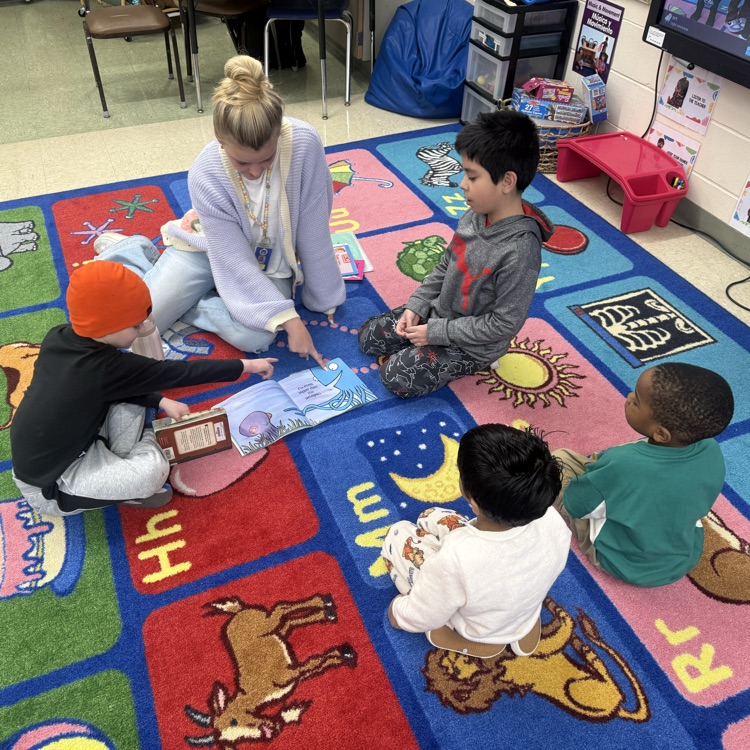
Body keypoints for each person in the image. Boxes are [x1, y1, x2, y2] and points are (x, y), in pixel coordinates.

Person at [97, 55, 345, 369]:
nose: (254, 172)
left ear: (278, 134)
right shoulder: (206, 170)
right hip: (205, 249)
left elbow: (314, 227)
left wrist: (324, 297)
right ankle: (131, 250)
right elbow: (233, 259)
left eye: (266, 160)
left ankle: (191, 300)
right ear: (221, 141)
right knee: (137, 323)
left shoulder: (304, 144)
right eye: (243, 163)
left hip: (270, 263)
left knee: (258, 338)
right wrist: (291, 320)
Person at [10, 261, 277, 517]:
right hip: (53, 483)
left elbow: (109, 386)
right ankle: (145, 453)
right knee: (152, 475)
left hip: (82, 436)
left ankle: (135, 450)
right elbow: (180, 373)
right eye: (136, 325)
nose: (141, 331)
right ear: (107, 326)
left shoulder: (59, 336)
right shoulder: (106, 367)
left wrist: (159, 402)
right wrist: (247, 365)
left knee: (131, 401)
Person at [358, 110, 553, 398]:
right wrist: (417, 305)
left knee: (396, 377)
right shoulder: (476, 213)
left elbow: (504, 324)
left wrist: (435, 332)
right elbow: (446, 264)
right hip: (440, 315)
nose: (462, 184)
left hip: (473, 344)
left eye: (472, 176)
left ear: (507, 182)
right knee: (369, 338)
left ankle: (481, 362)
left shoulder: (520, 250)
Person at [381, 424, 571, 655]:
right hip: (519, 603)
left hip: (476, 624)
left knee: (399, 532)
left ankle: (482, 637)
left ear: (474, 503)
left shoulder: (456, 558)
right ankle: (518, 623)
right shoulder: (553, 518)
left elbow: (425, 613)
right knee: (430, 517)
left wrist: (398, 614)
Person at [553, 363, 734, 588]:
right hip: (681, 557)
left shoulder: (624, 462)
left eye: (636, 400)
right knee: (617, 466)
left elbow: (576, 504)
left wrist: (605, 475)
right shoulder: (711, 450)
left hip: (619, 559)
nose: (629, 397)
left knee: (557, 461)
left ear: (661, 433)